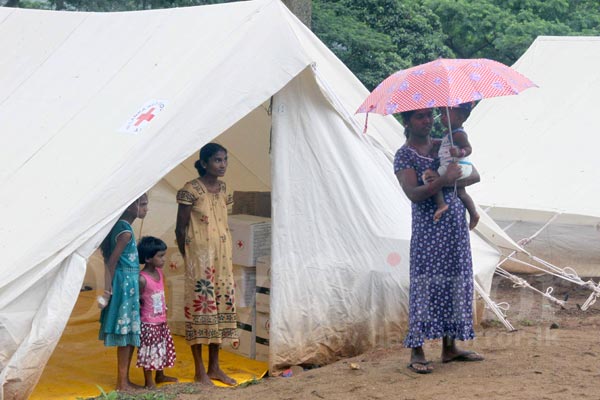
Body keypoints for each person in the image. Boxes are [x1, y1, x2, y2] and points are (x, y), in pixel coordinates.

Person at [394, 108, 484, 374]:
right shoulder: (404, 155)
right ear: (407, 121)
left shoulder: (443, 144)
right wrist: (445, 180)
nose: (426, 121)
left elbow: (475, 174)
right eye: (419, 116)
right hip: (428, 230)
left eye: (428, 115)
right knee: (425, 285)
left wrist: (453, 173)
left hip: (455, 225)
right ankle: (417, 351)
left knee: (456, 281)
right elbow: (413, 193)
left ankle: (449, 348)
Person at [175, 143, 238, 386]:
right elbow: (181, 228)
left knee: (220, 311)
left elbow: (222, 221)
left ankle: (215, 368)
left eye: (225, 160)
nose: (222, 165)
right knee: (200, 311)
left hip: (222, 260)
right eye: (217, 160)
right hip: (199, 262)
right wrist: (188, 255)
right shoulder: (189, 190)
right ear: (204, 163)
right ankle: (199, 370)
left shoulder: (224, 189)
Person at [98, 193, 148, 391]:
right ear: (130, 206)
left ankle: (124, 380)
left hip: (128, 284)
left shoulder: (121, 227)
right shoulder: (125, 232)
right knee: (126, 332)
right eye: (143, 204)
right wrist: (108, 291)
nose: (146, 209)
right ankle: (122, 382)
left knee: (129, 333)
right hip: (124, 286)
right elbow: (111, 262)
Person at [429, 102, 480, 230]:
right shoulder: (450, 133)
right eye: (441, 114)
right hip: (457, 166)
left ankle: (441, 204)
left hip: (458, 166)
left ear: (460, 118)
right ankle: (473, 213)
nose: (442, 117)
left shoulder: (458, 134)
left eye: (446, 114)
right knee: (461, 193)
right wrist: (439, 142)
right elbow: (448, 144)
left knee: (431, 178)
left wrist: (459, 152)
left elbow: (468, 148)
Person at [136, 236, 178, 388]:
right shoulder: (142, 279)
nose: (164, 259)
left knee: (162, 347)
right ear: (147, 258)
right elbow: (138, 299)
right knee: (150, 351)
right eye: (160, 256)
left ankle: (160, 375)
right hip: (148, 322)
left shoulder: (160, 273)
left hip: (161, 319)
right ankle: (149, 381)